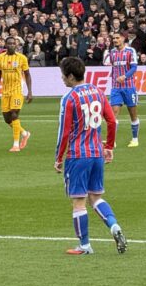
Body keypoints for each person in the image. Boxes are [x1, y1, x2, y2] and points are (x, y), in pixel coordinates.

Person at [54, 56, 127, 256]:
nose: (62, 79)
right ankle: (114, 227)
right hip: (96, 154)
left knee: (78, 201)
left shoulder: (69, 98)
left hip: (78, 155)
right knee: (96, 197)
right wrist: (109, 147)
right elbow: (112, 122)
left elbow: (65, 132)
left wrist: (58, 157)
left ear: (70, 76)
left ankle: (85, 245)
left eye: (63, 75)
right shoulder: (98, 91)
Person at [0, 36, 33, 153]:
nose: (11, 46)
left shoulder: (22, 58)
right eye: (9, 44)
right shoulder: (0, 58)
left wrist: (29, 91)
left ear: (16, 45)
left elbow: (28, 75)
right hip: (5, 91)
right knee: (7, 119)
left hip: (17, 91)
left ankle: (16, 145)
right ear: (5, 45)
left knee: (14, 114)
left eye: (13, 44)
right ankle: (25, 133)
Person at [104, 32, 141, 147]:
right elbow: (105, 62)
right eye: (113, 38)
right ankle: (112, 141)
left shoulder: (130, 51)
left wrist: (124, 76)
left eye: (117, 38)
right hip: (116, 88)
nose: (114, 40)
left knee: (133, 114)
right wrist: (105, 49)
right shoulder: (112, 52)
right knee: (113, 114)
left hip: (129, 87)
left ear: (123, 39)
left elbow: (134, 67)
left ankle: (135, 139)